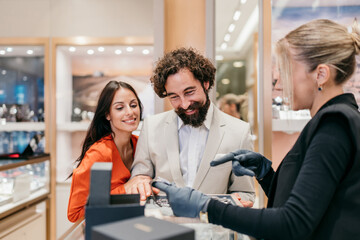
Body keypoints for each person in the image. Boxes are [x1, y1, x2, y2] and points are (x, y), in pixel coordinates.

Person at [153, 19, 360, 240]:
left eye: (284, 71)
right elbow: (312, 203)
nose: (277, 82)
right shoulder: (335, 120)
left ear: (320, 74)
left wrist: (206, 207)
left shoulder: (334, 125)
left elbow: (292, 224)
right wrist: (266, 174)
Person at [129, 47, 255, 206]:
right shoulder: (151, 127)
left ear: (205, 82)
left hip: (214, 226)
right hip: (164, 227)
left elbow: (246, 192)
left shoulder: (239, 132)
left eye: (189, 92)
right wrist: (140, 181)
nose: (184, 104)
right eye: (174, 97)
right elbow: (140, 176)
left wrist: (233, 204)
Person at [67, 81, 143, 222]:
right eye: (120, 108)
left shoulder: (140, 144)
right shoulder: (98, 154)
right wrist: (125, 189)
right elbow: (75, 213)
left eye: (133, 105)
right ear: (107, 114)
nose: (130, 112)